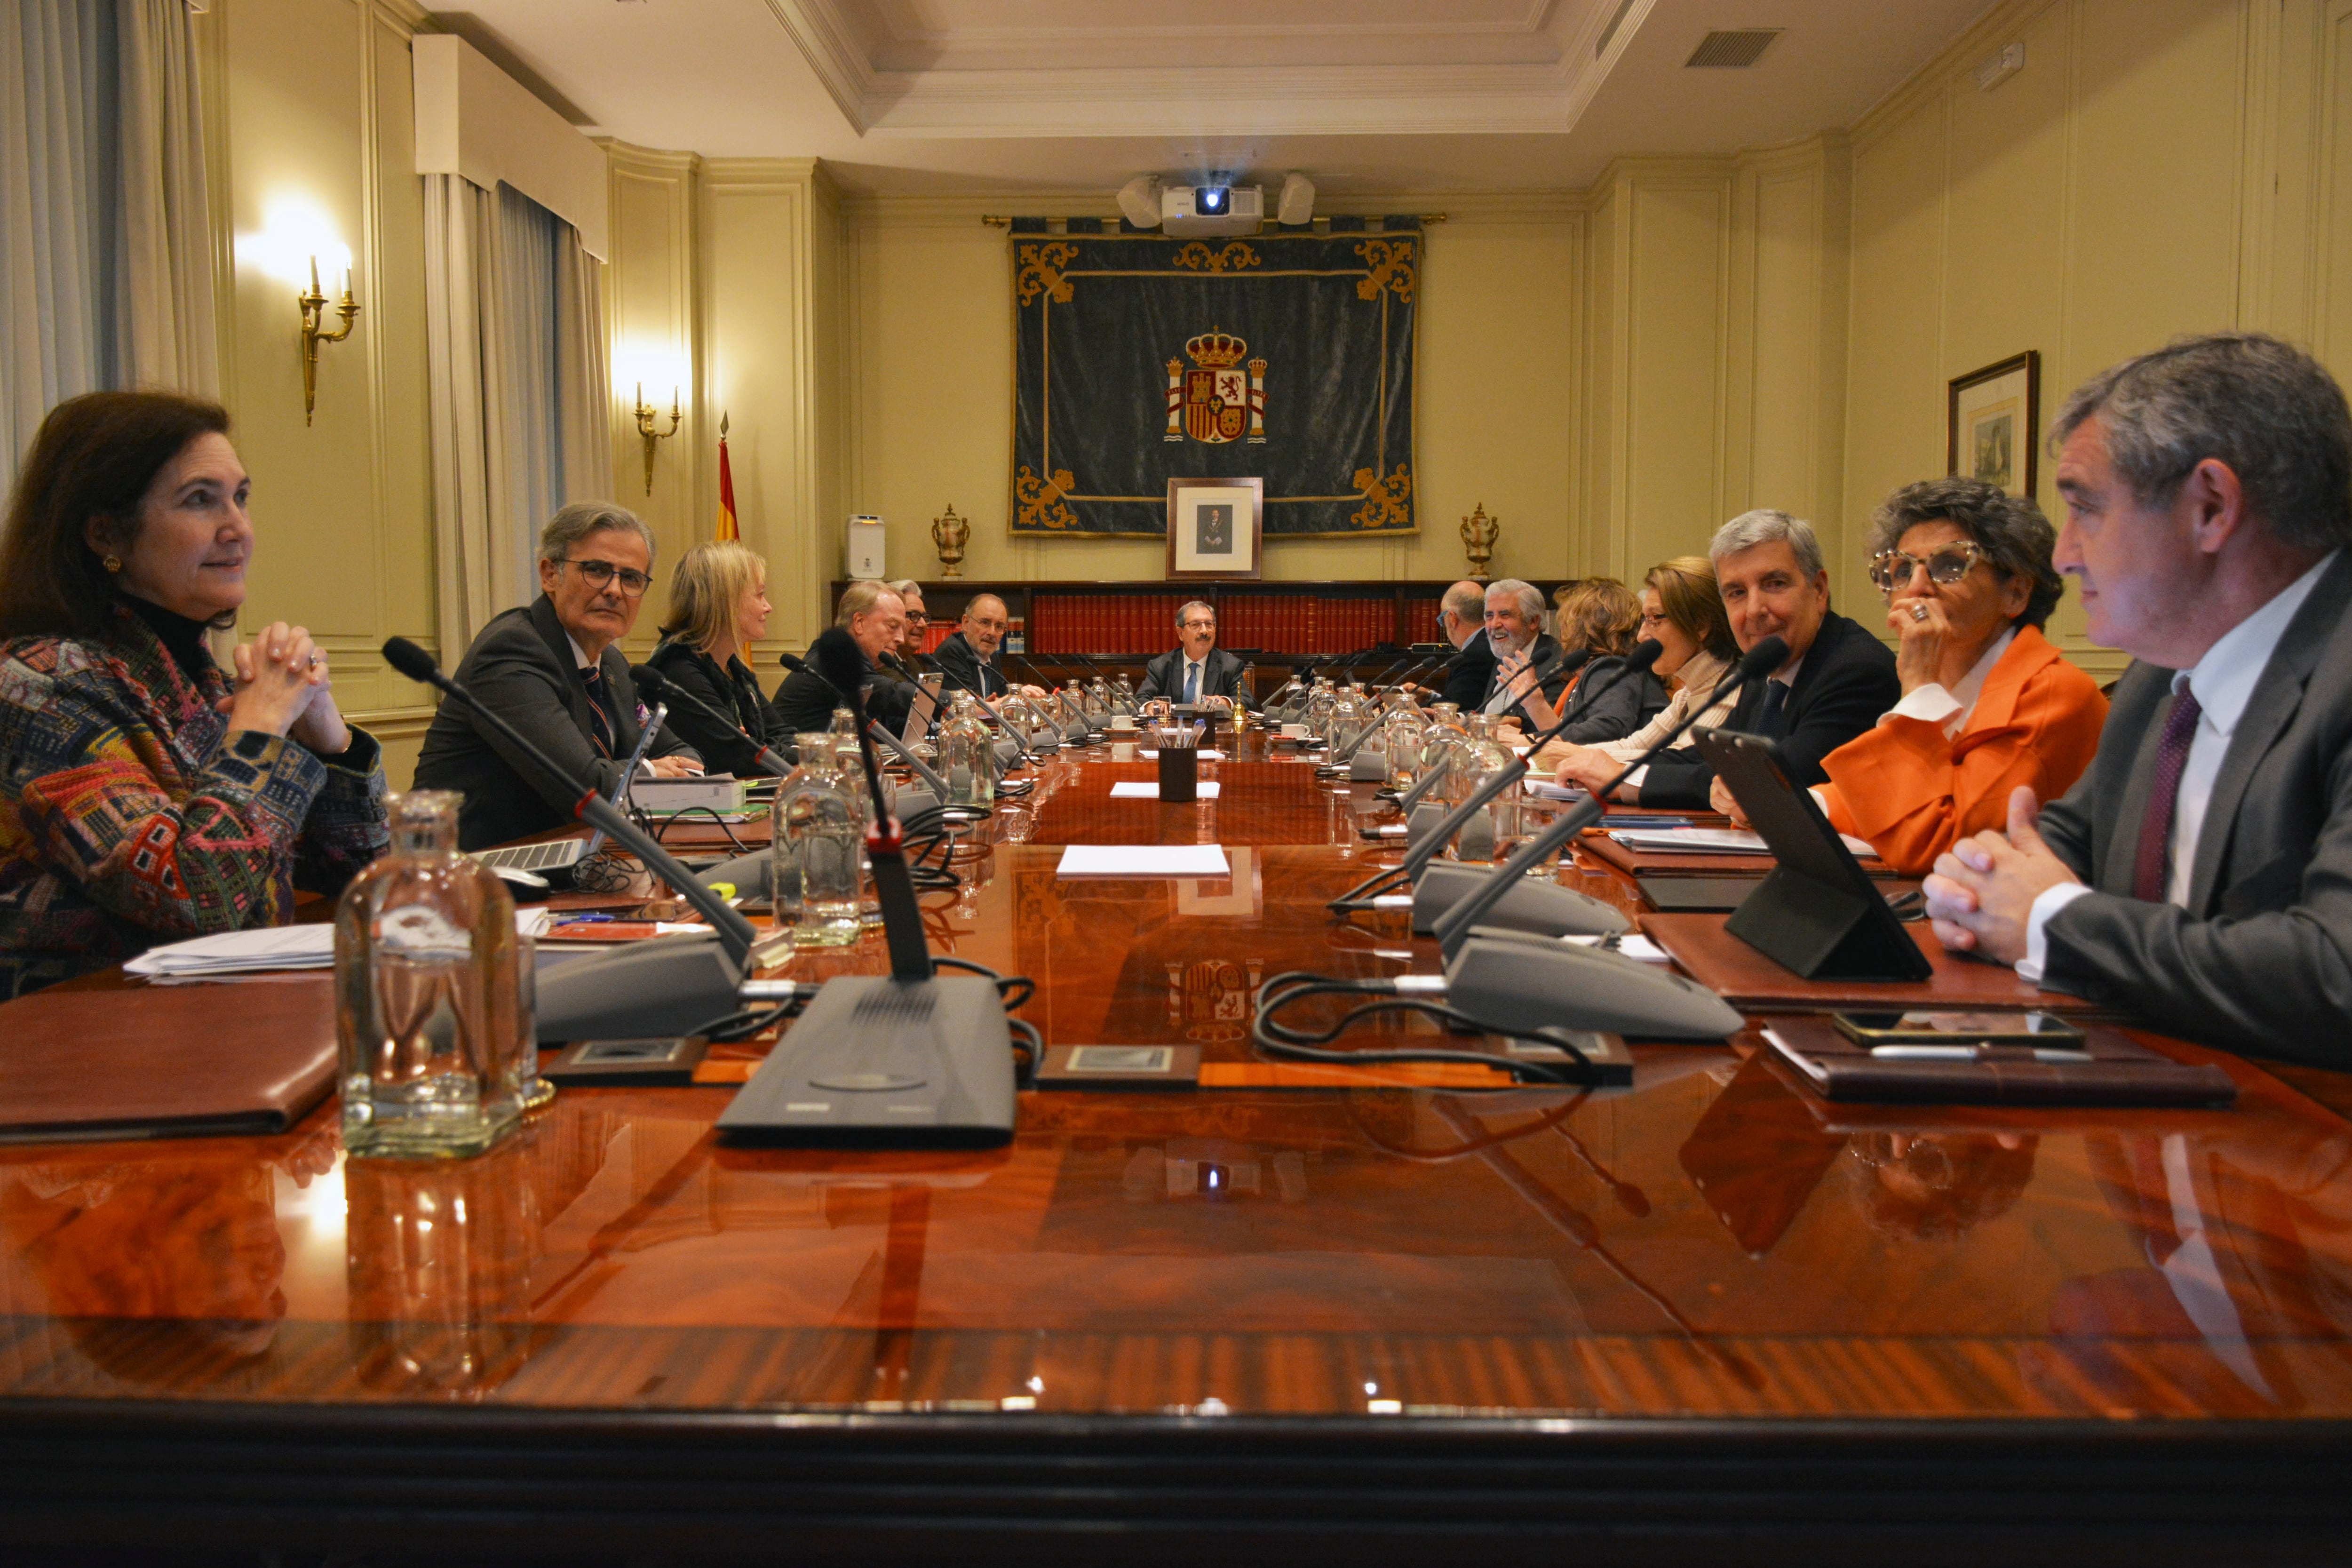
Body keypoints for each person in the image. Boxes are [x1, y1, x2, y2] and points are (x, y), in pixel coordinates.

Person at [1923, 332, 2352, 1061]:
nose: (2064, 554)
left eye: (2086, 509)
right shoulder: (2163, 676)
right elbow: (2067, 844)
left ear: (2211, 508)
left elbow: (2335, 978)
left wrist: (2054, 921)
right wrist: (1977, 884)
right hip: (2160, 1103)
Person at [0, 391, 389, 997]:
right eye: (200, 500)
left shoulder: (194, 676)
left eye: (240, 497)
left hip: (213, 1022)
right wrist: (259, 734)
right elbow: (202, 899)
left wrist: (329, 739)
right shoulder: (39, 685)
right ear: (106, 533)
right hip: (76, 1045)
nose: (238, 528)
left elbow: (363, 880)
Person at [1794, 478, 2107, 875]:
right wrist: (1792, 806)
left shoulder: (2052, 692)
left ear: (2016, 593)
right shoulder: (1949, 679)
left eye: (1951, 565)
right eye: (1902, 570)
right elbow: (1892, 803)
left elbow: (1936, 847)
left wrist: (1919, 691)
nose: (1917, 587)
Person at [413, 501, 702, 852]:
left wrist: (656, 770)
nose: (614, 590)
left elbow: (682, 752)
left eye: (631, 578)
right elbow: (583, 787)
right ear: (550, 574)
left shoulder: (611, 664)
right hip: (476, 876)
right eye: (597, 570)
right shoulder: (511, 651)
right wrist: (653, 773)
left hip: (576, 861)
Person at [1594, 509, 1897, 811]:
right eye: (1737, 592)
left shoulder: (1857, 670)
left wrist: (1625, 780)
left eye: (1775, 584)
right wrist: (1606, 768)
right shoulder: (1766, 665)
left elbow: (1776, 777)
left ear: (1818, 590)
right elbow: (1711, 758)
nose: (1754, 609)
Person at [1540, 557, 1740, 789]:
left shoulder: (1733, 688)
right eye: (1645, 620)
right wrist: (1571, 754)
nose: (1642, 636)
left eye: (1655, 620)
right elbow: (1639, 744)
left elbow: (1683, 763)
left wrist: (1578, 756)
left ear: (1701, 626)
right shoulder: (1689, 692)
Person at [642, 541, 795, 779]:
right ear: (727, 601)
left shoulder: (734, 670)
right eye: (760, 595)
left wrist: (758, 746)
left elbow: (783, 735)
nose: (768, 607)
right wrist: (756, 747)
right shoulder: (677, 670)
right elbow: (740, 757)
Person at [1500, 577, 1663, 745]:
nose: (1562, 636)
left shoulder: (1610, 667)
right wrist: (1535, 704)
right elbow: (1567, 742)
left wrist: (1529, 740)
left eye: (1567, 626)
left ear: (1584, 630)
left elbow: (1607, 729)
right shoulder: (1602, 669)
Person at [775, 580, 919, 735]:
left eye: (901, 628)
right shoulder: (831, 660)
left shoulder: (859, 661)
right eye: (893, 626)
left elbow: (886, 727)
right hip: (796, 757)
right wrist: (947, 700)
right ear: (859, 623)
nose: (901, 639)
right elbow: (890, 694)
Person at [1474, 579, 1569, 728]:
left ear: (1533, 621)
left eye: (1505, 615)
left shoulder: (1557, 663)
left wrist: (1518, 724)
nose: (1494, 625)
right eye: (1490, 616)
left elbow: (1552, 724)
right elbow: (1490, 714)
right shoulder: (1506, 654)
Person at [1139, 601, 1251, 713]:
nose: (1204, 631)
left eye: (1209, 624)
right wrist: (1150, 705)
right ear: (1180, 633)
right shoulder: (1161, 666)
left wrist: (1225, 703)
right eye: (1196, 625)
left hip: (1213, 729)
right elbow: (1140, 699)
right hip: (1171, 729)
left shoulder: (1230, 666)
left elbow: (1248, 701)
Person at [932, 592, 1045, 702]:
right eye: (985, 623)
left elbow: (1001, 696)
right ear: (966, 623)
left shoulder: (992, 656)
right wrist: (1013, 698)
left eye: (999, 626)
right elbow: (970, 706)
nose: (992, 633)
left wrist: (1020, 697)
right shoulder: (952, 652)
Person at [1411, 580, 1494, 709]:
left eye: (1442, 620)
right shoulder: (1490, 642)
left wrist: (1408, 706)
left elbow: (1456, 709)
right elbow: (1464, 699)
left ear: (1452, 618)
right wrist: (1431, 696)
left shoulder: (1473, 656)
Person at [882, 579, 930, 680]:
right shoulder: (882, 661)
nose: (923, 624)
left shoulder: (912, 663)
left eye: (924, 617)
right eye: (914, 616)